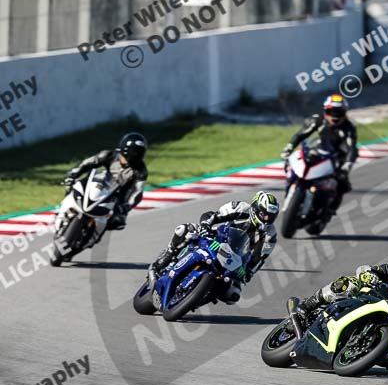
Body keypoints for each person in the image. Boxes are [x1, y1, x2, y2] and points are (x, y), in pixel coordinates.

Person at [295, 251, 388, 368]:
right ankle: (309, 304)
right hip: (368, 299)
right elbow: (365, 269)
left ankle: (361, 352)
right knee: (349, 283)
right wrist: (369, 275)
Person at [148, 191, 280, 304]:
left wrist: (247, 273)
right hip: (215, 240)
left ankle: (195, 299)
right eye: (264, 214)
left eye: (271, 217)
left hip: (233, 259)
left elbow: (259, 258)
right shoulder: (239, 208)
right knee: (185, 230)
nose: (267, 219)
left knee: (233, 295)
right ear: (255, 209)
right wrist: (205, 226)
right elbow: (211, 216)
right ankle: (167, 256)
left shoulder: (270, 235)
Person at [58, 132, 148, 241]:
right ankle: (62, 210)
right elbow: (87, 163)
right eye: (135, 152)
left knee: (118, 221)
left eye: (139, 152)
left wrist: (125, 207)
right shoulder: (109, 155)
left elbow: (137, 192)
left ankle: (95, 235)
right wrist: (73, 174)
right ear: (125, 149)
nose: (137, 155)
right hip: (100, 184)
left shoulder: (141, 170)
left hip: (119, 194)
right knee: (72, 185)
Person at [280, 94, 358, 219]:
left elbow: (352, 148)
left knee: (342, 182)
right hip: (318, 150)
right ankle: (290, 195)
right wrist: (288, 148)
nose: (335, 116)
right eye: (331, 111)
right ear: (325, 110)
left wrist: (347, 165)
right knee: (294, 168)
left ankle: (330, 209)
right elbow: (300, 134)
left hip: (338, 156)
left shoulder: (349, 127)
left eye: (338, 112)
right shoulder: (318, 119)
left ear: (344, 113)